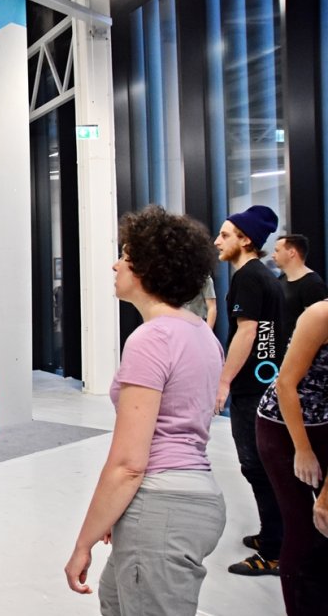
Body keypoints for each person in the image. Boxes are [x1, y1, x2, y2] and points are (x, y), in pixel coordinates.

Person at [64, 205, 226, 613]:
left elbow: (129, 463)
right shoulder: (202, 335)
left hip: (162, 506)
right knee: (115, 600)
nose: (115, 264)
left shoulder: (151, 339)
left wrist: (84, 540)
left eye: (126, 256)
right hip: (186, 497)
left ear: (149, 268)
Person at [214, 204, 286, 575]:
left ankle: (275, 551)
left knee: (257, 467)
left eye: (225, 235)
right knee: (264, 466)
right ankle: (274, 534)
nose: (217, 241)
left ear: (245, 239)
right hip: (265, 383)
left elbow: (249, 331)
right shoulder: (264, 276)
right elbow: (268, 340)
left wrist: (224, 382)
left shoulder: (248, 278)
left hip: (252, 390)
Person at [256, 300, 328, 614]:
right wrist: (303, 450)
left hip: (323, 424)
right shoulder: (320, 315)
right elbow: (286, 384)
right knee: (302, 525)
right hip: (283, 427)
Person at [272, 234, 328, 343]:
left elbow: (318, 326)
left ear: (291, 253)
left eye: (277, 251)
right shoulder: (281, 279)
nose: (273, 255)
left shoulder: (312, 284)